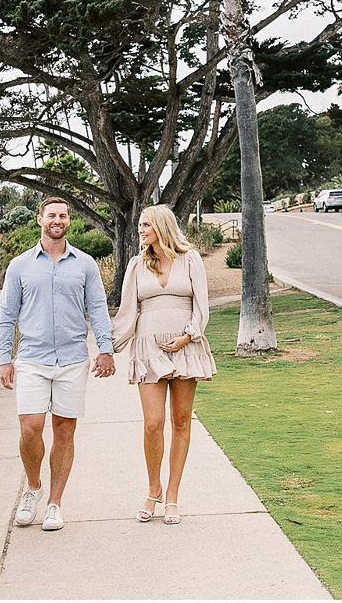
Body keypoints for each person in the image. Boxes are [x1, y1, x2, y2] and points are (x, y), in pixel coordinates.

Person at [0, 196, 115, 532]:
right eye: (51, 215)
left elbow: (99, 309)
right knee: (30, 428)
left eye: (63, 215)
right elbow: (6, 317)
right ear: (40, 220)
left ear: (68, 221)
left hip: (73, 360)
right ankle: (33, 488)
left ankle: (54, 504)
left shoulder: (86, 265)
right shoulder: (20, 266)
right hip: (32, 359)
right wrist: (5, 358)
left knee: (64, 431)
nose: (57, 220)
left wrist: (105, 350)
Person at [111, 204, 216, 525]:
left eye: (145, 225)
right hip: (148, 350)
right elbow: (127, 312)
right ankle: (153, 489)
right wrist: (108, 348)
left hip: (186, 347)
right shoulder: (136, 265)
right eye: (140, 226)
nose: (140, 230)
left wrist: (188, 336)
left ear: (161, 226)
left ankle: (172, 496)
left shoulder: (191, 259)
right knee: (153, 423)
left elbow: (202, 306)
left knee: (181, 422)